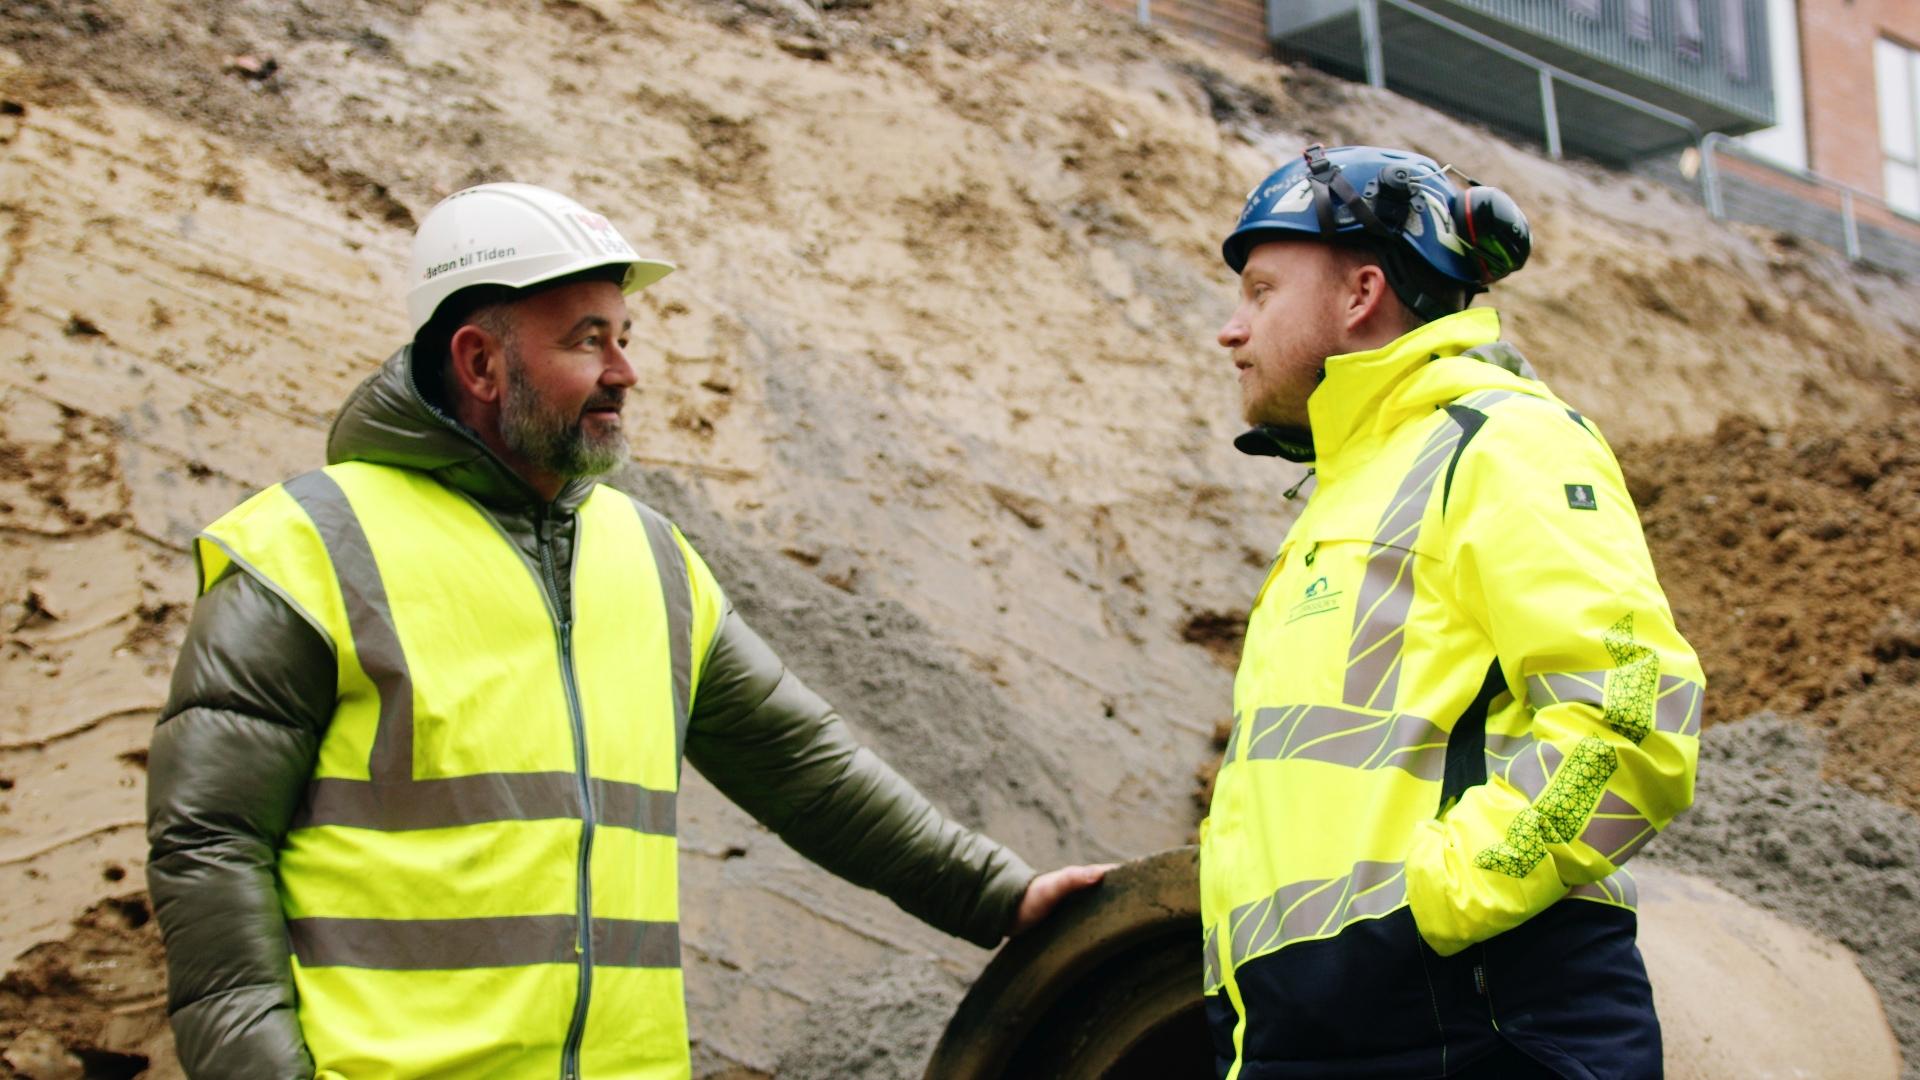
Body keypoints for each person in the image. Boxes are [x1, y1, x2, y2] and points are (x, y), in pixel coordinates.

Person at [145, 182, 1110, 1078]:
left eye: (625, 336)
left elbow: (805, 768)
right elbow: (209, 846)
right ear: (480, 362)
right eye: (587, 341)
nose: (626, 372)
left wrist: (995, 894)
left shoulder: (648, 556)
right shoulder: (306, 550)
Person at [1198, 145, 1705, 1079]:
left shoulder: (1504, 444)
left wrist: (1427, 910)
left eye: (1261, 291)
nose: (1231, 331)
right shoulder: (1347, 495)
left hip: (1471, 1024)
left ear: (1359, 294)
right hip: (1317, 1033)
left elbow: (1632, 715)